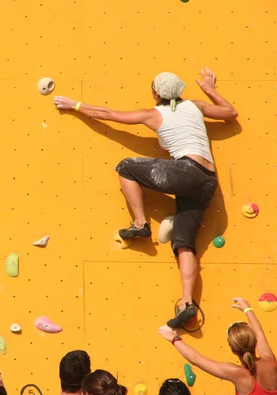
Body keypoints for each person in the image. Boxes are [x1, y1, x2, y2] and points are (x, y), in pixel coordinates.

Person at [53, 67, 238, 328]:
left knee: (127, 166)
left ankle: (140, 223)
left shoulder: (153, 114)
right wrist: (210, 90)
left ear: (155, 92)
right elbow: (231, 114)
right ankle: (187, 302)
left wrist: (75, 104)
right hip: (208, 180)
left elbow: (109, 115)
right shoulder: (196, 106)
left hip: (187, 171)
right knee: (184, 243)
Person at [158, 297, 277, 395]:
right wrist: (248, 309)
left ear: (232, 348)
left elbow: (196, 359)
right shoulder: (270, 361)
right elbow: (260, 333)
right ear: (254, 341)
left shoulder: (237, 373)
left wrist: (174, 338)